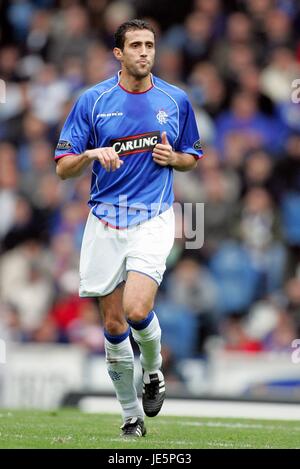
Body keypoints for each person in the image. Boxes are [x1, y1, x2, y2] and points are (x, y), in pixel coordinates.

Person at [55, 19, 203, 438]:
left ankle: (154, 371)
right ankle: (130, 416)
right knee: (114, 324)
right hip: (104, 219)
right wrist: (90, 155)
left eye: (150, 45)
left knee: (138, 310)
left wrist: (174, 159)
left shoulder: (175, 100)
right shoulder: (93, 101)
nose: (144, 52)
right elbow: (64, 168)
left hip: (153, 218)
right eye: (135, 45)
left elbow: (193, 155)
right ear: (118, 54)